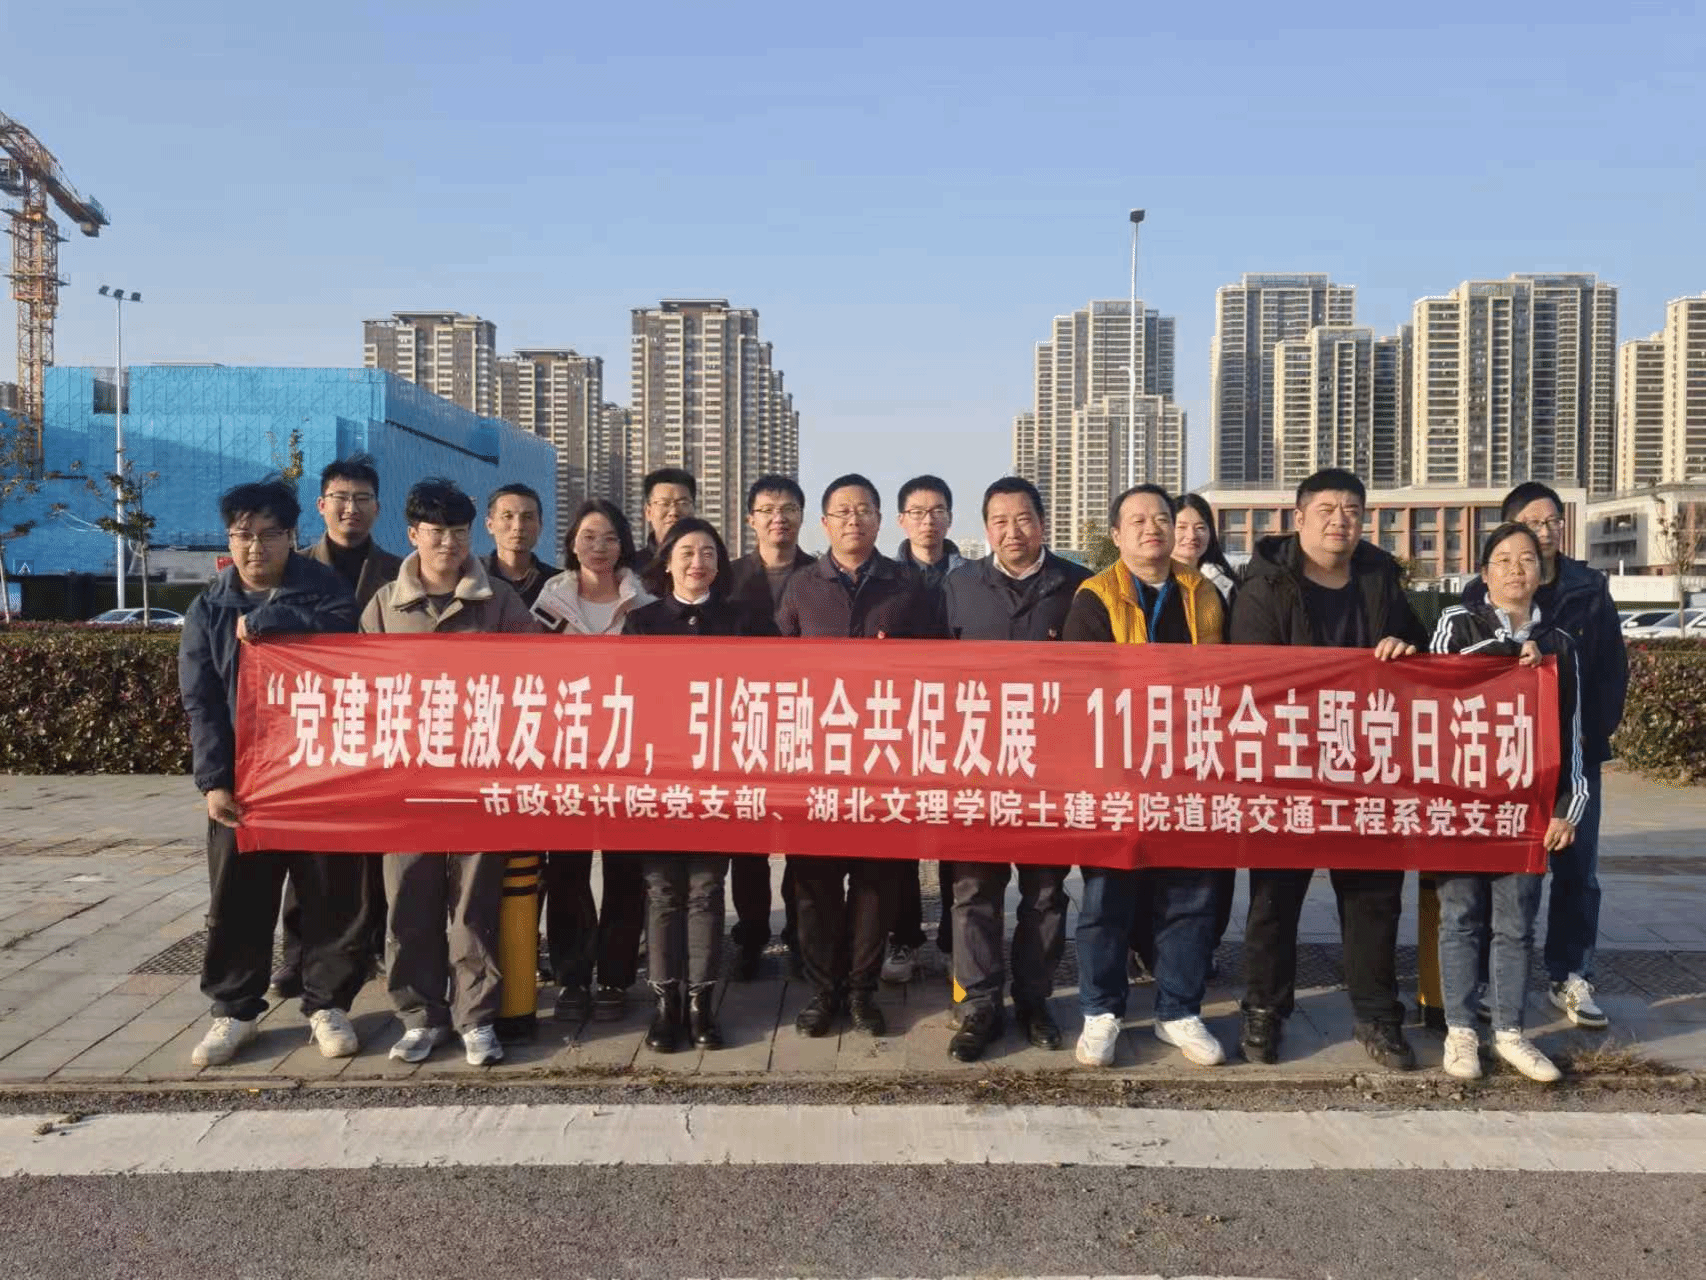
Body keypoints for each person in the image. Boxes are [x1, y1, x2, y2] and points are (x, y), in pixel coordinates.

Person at [1230, 467, 1429, 1070]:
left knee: (1374, 898)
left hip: (1366, 765)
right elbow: (1253, 676)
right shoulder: (1264, 585)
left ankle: (1377, 1015)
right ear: (1298, 518)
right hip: (1287, 765)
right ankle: (1265, 1011)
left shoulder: (1380, 579)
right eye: (1326, 510)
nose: (1340, 520)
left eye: (1352, 510)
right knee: (1274, 899)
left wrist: (1405, 650)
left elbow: (1420, 652)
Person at [178, 479, 366, 1067]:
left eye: (268, 534)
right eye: (243, 535)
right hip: (247, 781)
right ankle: (234, 1010)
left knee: (330, 895)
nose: (255, 547)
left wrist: (269, 619)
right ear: (228, 539)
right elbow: (202, 703)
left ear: (291, 536)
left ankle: (327, 1004)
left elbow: (345, 634)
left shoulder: (326, 589)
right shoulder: (209, 609)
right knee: (237, 899)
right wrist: (214, 781)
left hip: (318, 771)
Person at [361, 478, 538, 1067]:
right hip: (407, 782)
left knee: (473, 906)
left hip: (477, 778)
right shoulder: (385, 605)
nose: (449, 544)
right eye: (436, 532)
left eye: (459, 533)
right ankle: (419, 1016)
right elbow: (358, 685)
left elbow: (536, 678)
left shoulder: (500, 603)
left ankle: (475, 1018)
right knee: (408, 902)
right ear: (413, 533)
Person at [1063, 483, 1231, 1070]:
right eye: (1136, 520)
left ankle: (1179, 1010)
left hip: (1190, 764)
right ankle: (1100, 1010)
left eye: (1161, 518)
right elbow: (1085, 686)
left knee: (1191, 895)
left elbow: (1229, 674)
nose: (1152, 528)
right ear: (1116, 535)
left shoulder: (1203, 593)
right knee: (1107, 897)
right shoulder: (1094, 596)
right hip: (1118, 769)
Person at [778, 472, 942, 1037]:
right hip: (816, 761)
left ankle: (862, 993)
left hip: (884, 761)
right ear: (824, 523)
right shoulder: (801, 586)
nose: (854, 520)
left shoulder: (907, 586)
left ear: (879, 519)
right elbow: (774, 670)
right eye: (843, 512)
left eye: (864, 510)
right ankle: (823, 992)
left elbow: (935, 666)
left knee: (877, 884)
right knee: (814, 887)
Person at [1458, 481, 1625, 1031]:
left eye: (1554, 521)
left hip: (1571, 752)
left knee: (1577, 868)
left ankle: (1570, 974)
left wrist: (1589, 736)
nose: (1547, 530)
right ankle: (1490, 981)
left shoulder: (1588, 587)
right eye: (1534, 522)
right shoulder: (1479, 592)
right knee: (1498, 870)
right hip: (1502, 757)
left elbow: (1610, 669)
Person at [1431, 522, 1588, 1083]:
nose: (1516, 568)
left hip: (1525, 807)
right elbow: (1438, 678)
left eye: (1527, 559)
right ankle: (1460, 1032)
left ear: (1542, 573)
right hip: (1460, 800)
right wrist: (1506, 652)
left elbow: (1572, 734)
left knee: (1517, 924)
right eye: (1503, 559)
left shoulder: (1560, 644)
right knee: (1460, 918)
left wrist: (1569, 807)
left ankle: (1510, 1033)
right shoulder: (1457, 622)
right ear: (1484, 573)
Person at [938, 477, 1089, 1061]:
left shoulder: (1077, 587)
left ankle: (1034, 1000)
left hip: (1052, 765)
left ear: (1042, 523)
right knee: (973, 889)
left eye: (1023, 518)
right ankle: (977, 1004)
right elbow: (930, 671)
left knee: (1045, 892)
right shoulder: (960, 586)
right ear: (986, 528)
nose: (1012, 531)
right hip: (977, 762)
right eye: (999, 521)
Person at [624, 518, 779, 1051]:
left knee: (707, 891)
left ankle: (701, 1005)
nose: (698, 562)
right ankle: (665, 1003)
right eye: (687, 552)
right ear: (666, 562)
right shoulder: (642, 622)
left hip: (719, 777)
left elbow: (772, 687)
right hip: (660, 776)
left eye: (709, 552)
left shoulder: (743, 620)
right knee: (663, 891)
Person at [274, 455, 402, 998]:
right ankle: (297, 954)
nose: (352, 508)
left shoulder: (400, 571)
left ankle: (369, 946)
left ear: (378, 507)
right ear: (321, 505)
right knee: (309, 846)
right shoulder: (292, 568)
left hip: (381, 726)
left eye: (363, 499)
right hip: (313, 725)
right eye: (342, 498)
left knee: (376, 849)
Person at [531, 500, 654, 1022]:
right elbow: (528, 671)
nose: (598, 547)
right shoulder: (550, 601)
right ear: (572, 544)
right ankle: (572, 977)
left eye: (609, 538)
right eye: (588, 537)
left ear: (623, 544)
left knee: (626, 871)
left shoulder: (644, 604)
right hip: (568, 753)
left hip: (630, 753)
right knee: (568, 870)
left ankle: (616, 978)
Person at [726, 475, 815, 980]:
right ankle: (751, 933)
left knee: (802, 838)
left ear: (802, 516)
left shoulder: (820, 575)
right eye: (767, 509)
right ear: (751, 519)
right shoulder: (728, 576)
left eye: (788, 509)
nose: (778, 518)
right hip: (744, 720)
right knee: (748, 841)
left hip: (803, 720)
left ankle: (802, 935)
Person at [885, 474, 965, 982]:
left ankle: (957, 941)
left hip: (959, 721)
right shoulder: (885, 578)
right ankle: (904, 939)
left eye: (937, 511)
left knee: (957, 835)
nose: (927, 521)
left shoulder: (972, 577)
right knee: (900, 837)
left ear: (951, 518)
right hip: (899, 722)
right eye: (917, 512)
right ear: (901, 520)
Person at [1168, 492, 1239, 970]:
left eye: (1200, 527)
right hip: (1159, 730)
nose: (1190, 536)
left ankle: (1203, 944)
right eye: (1180, 526)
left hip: (1215, 730)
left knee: (1212, 845)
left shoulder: (1228, 586)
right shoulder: (1138, 584)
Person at [483, 482, 560, 608]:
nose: (518, 526)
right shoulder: (471, 576)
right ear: (490, 525)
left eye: (528, 517)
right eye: (507, 516)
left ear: (540, 525)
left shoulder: (558, 583)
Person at [640, 467, 697, 556]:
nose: (673, 512)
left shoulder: (708, 562)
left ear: (694, 509)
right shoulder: (632, 564)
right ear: (648, 512)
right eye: (664, 503)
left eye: (682, 503)